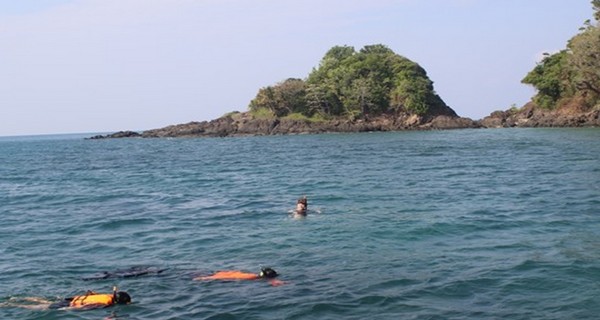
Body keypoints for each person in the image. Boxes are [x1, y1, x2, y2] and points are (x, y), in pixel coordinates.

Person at [1, 287, 131, 310]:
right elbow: (85, 307)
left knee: (43, 301)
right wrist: (67, 311)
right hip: (69, 305)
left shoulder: (107, 296)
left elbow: (90, 294)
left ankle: (16, 299)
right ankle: (11, 305)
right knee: (40, 307)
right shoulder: (106, 304)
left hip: (70, 299)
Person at [194, 267, 284, 286]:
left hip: (223, 273)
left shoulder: (251, 275)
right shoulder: (251, 277)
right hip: (221, 276)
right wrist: (202, 279)